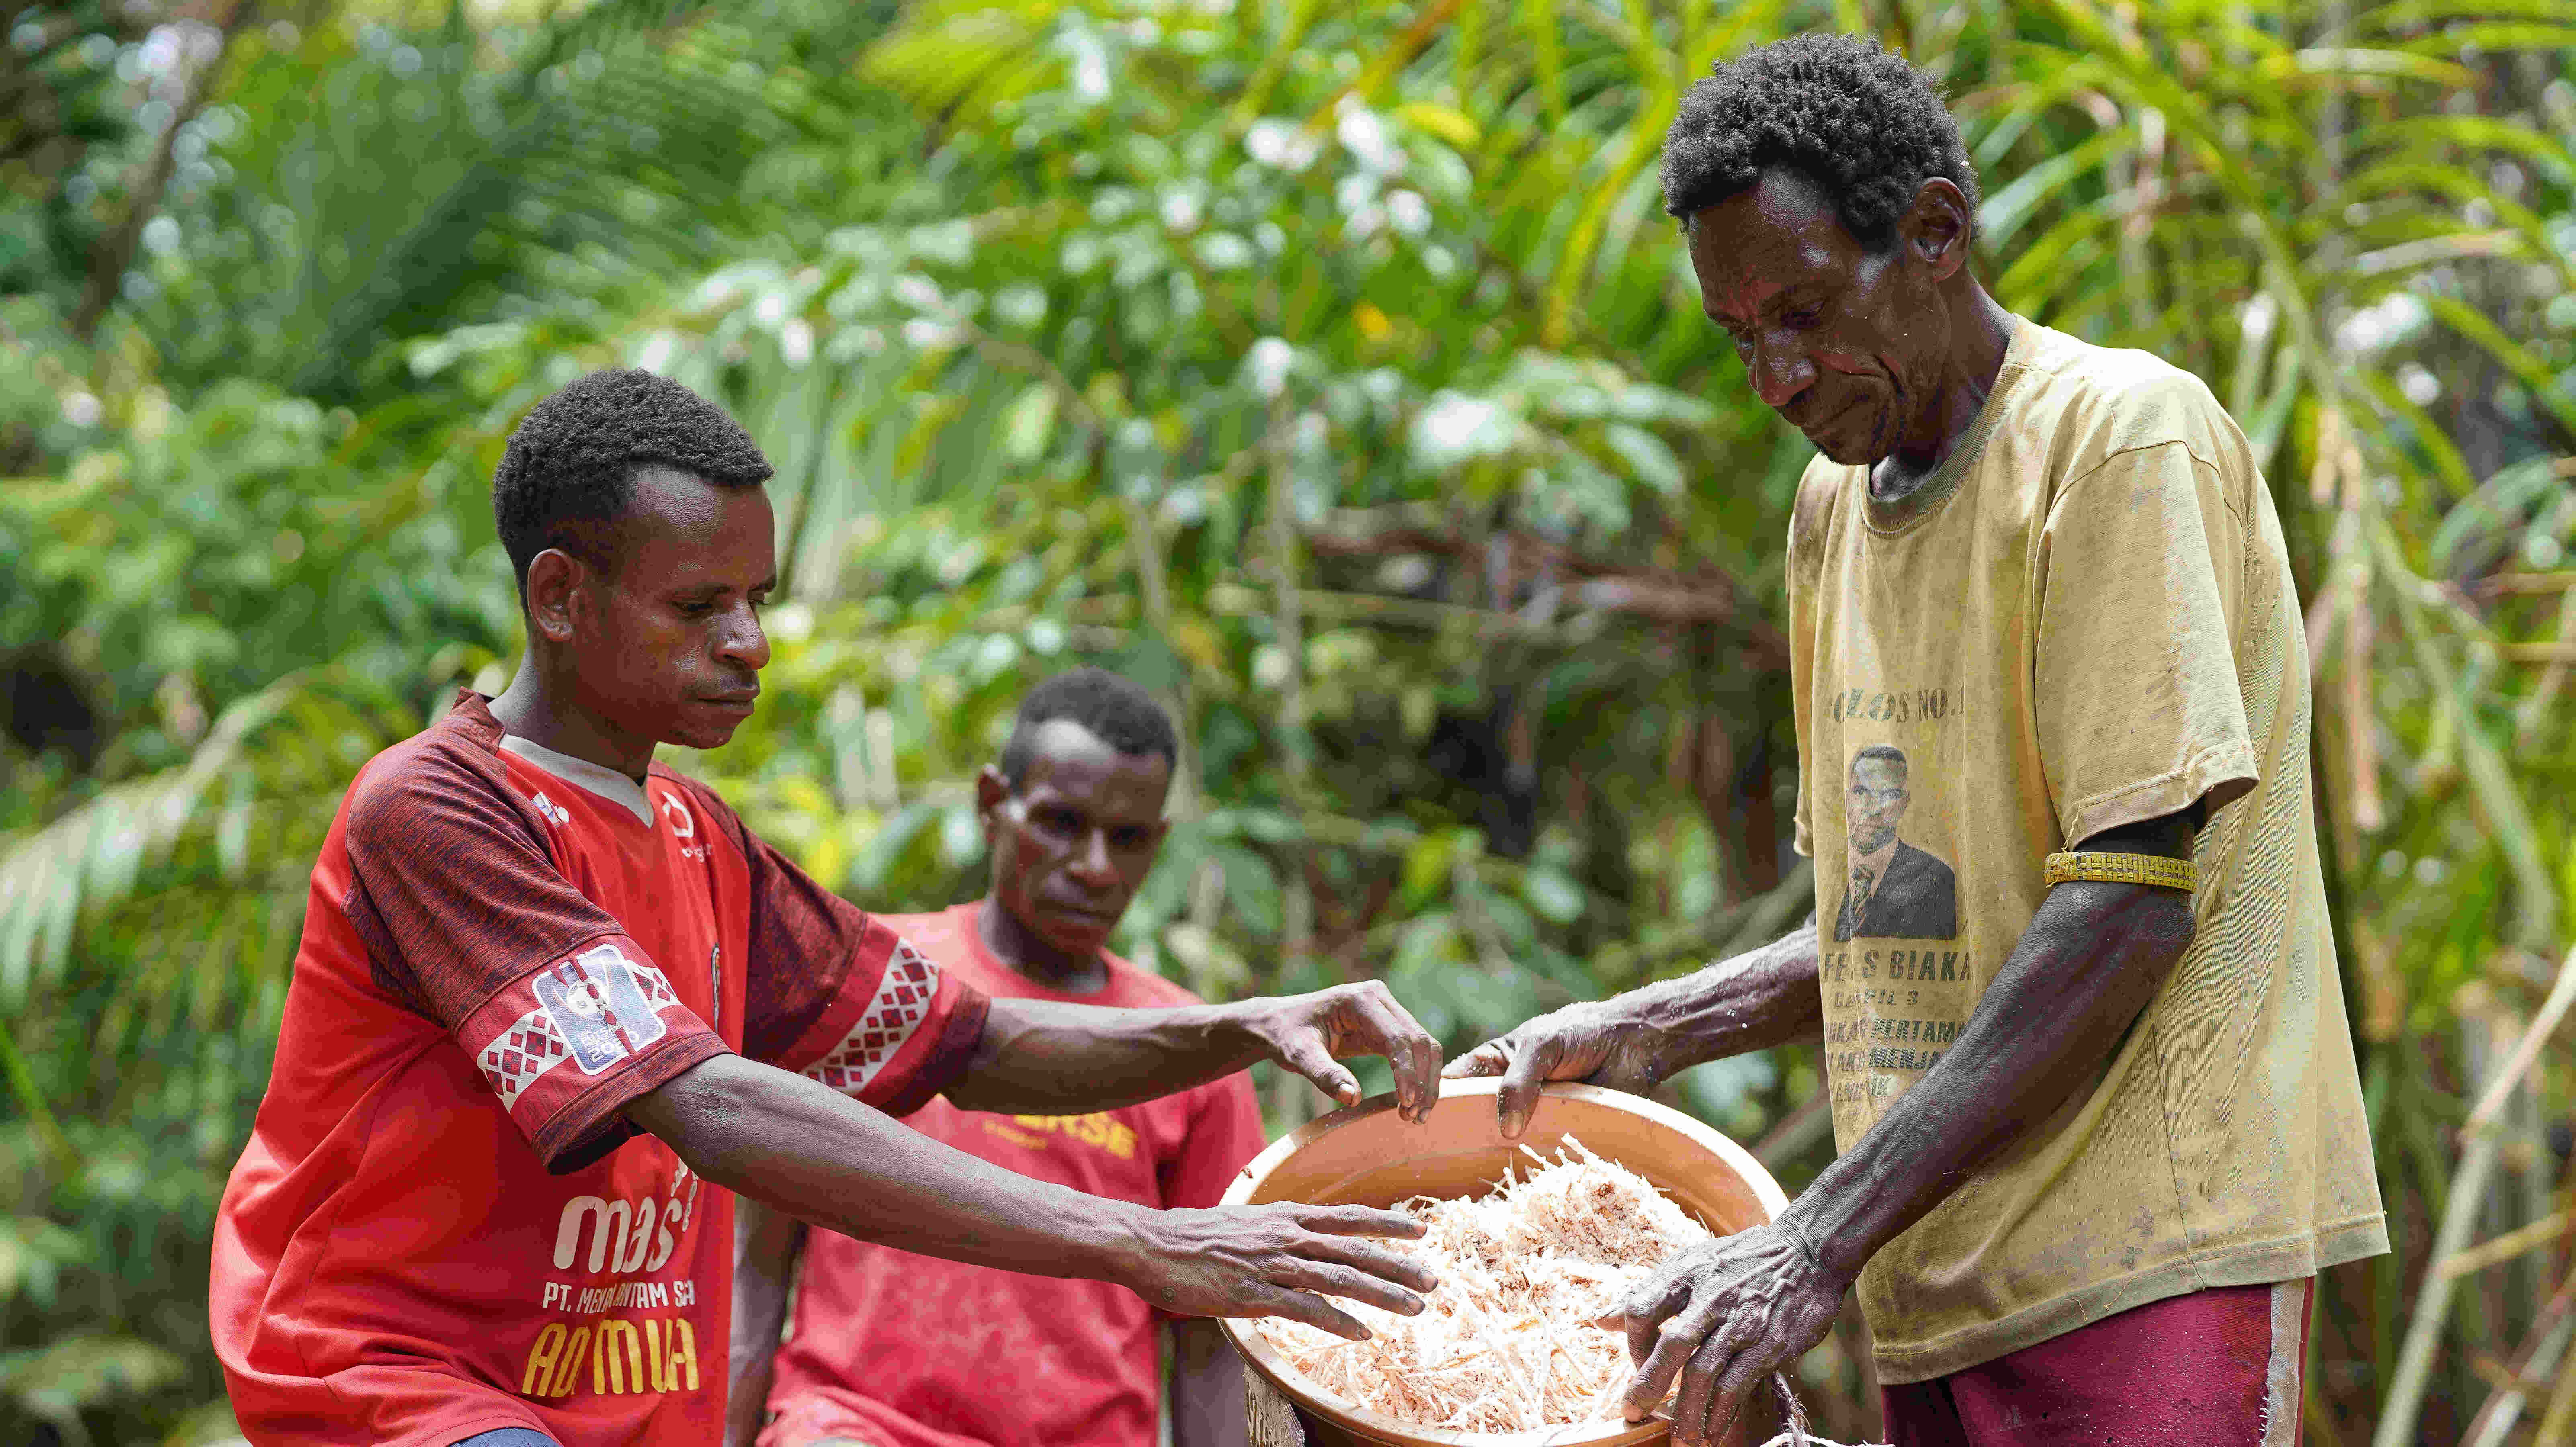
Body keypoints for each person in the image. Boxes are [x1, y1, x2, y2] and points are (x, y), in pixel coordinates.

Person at [210, 369, 1448, 1447]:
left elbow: (978, 1043)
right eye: (700, 608)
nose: (750, 643)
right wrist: (1135, 1240)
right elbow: (704, 1103)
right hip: (401, 1385)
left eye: (759, 600)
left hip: (618, 1404)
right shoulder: (436, 808)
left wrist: (1248, 1024)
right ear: (558, 597)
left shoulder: (703, 840)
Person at [1446, 35, 2384, 1447]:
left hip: (2152, 1254)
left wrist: (1810, 1240)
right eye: (1738, 336)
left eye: (1803, 312)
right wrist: (1642, 1029)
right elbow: (1896, 919)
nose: (1774, 376)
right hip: (1938, 1273)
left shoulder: (2113, 439)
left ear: (1935, 232)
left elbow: (2124, 912)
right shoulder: (1831, 517)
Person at [728, 669, 1266, 1447]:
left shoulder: (1191, 1046)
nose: (1094, 866)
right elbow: (758, 1255)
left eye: (1129, 838)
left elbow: (1206, 1337)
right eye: (1060, 822)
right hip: (856, 1427)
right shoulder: (875, 976)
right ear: (991, 806)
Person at [1833, 745, 1954, 941]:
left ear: (1904, 803)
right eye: (1861, 792)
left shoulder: (1936, 878)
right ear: (1847, 799)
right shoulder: (1829, 874)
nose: (1873, 809)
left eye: (1888, 795)